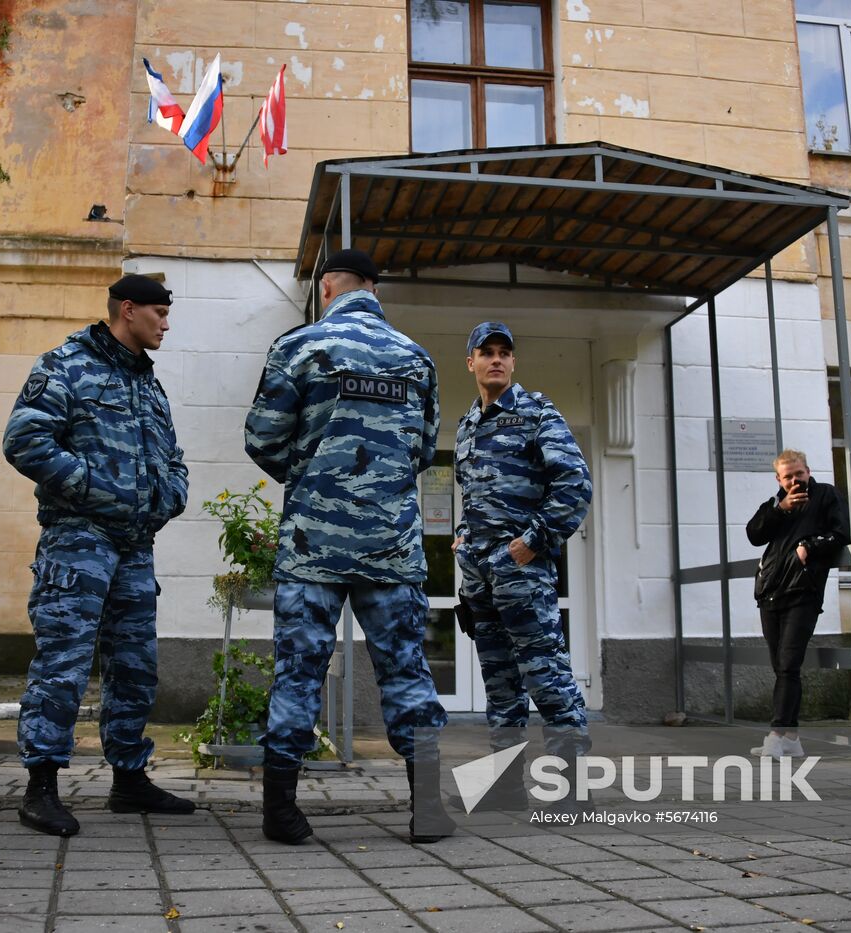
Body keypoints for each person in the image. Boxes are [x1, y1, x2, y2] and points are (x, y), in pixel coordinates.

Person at [245, 248, 449, 845]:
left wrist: (313, 477)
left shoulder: (298, 347)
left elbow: (262, 439)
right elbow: (421, 449)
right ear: (374, 290)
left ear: (329, 287)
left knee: (299, 673)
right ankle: (428, 808)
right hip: (391, 546)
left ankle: (281, 812)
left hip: (314, 545)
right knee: (408, 673)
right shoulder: (416, 358)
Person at [3, 273, 193, 837]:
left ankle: (128, 780)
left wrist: (172, 492)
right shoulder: (65, 365)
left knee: (135, 666)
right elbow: (25, 440)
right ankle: (41, 786)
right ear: (127, 309)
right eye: (157, 312)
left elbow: (171, 455)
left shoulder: (148, 384)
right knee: (63, 661)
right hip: (78, 539)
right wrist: (94, 487)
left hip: (136, 544)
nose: (166, 322)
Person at [451, 323, 593, 809]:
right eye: (485, 352)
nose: (496, 360)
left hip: (523, 574)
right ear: (469, 362)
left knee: (546, 676)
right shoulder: (467, 424)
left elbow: (574, 485)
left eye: (504, 353)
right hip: (479, 577)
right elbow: (474, 497)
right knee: (501, 684)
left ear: (513, 363)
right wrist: (465, 538)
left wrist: (533, 542)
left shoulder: (536, 412)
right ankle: (506, 789)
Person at [745, 449, 850, 758]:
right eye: (787, 476)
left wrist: (810, 546)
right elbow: (753, 535)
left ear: (808, 471)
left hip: (803, 592)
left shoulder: (826, 495)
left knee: (789, 663)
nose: (794, 480)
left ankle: (776, 734)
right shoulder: (776, 504)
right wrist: (781, 508)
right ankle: (791, 737)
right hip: (770, 593)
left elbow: (841, 533)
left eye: (799, 474)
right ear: (779, 479)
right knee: (781, 666)